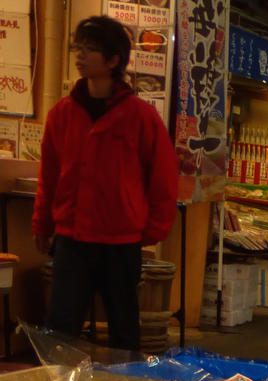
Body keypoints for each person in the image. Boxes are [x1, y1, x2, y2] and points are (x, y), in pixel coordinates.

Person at [33, 16, 178, 352]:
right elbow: (49, 174)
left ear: (113, 61)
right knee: (60, 327)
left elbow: (163, 177)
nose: (80, 55)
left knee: (123, 329)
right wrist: (42, 222)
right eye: (78, 47)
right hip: (72, 238)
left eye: (90, 49)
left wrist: (152, 230)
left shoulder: (140, 116)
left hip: (120, 241)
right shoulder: (62, 113)